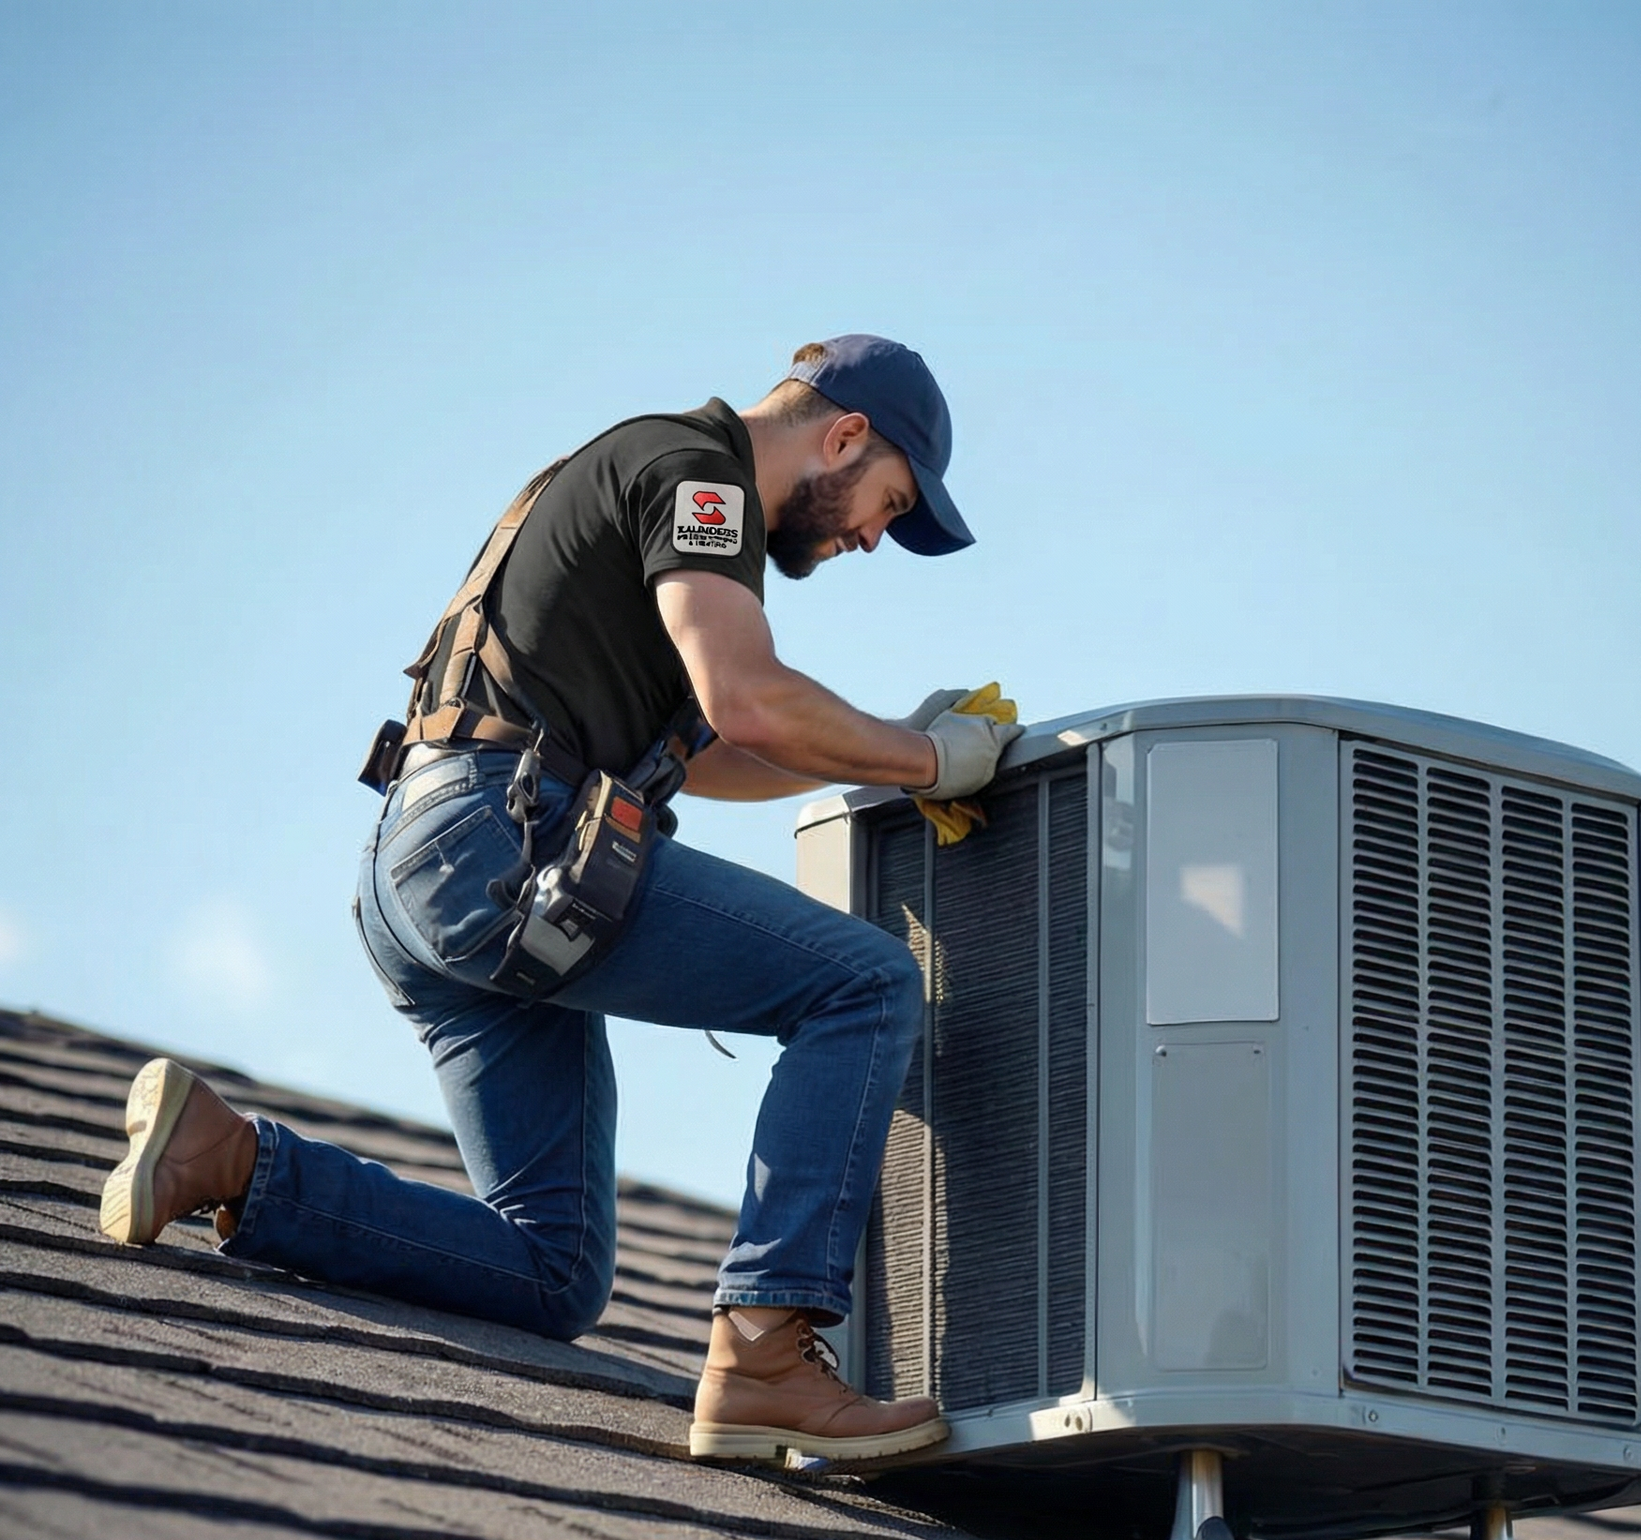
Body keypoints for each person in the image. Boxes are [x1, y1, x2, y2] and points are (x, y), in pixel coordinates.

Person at [98, 334, 1020, 1466]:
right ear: (844, 436)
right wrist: (927, 761)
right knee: (866, 985)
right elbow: (748, 699)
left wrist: (891, 754)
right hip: (499, 845)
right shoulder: (703, 476)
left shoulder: (648, 483)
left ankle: (229, 1160)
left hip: (424, 867)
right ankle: (766, 1351)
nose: (873, 536)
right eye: (891, 503)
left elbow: (718, 750)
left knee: (554, 1268)